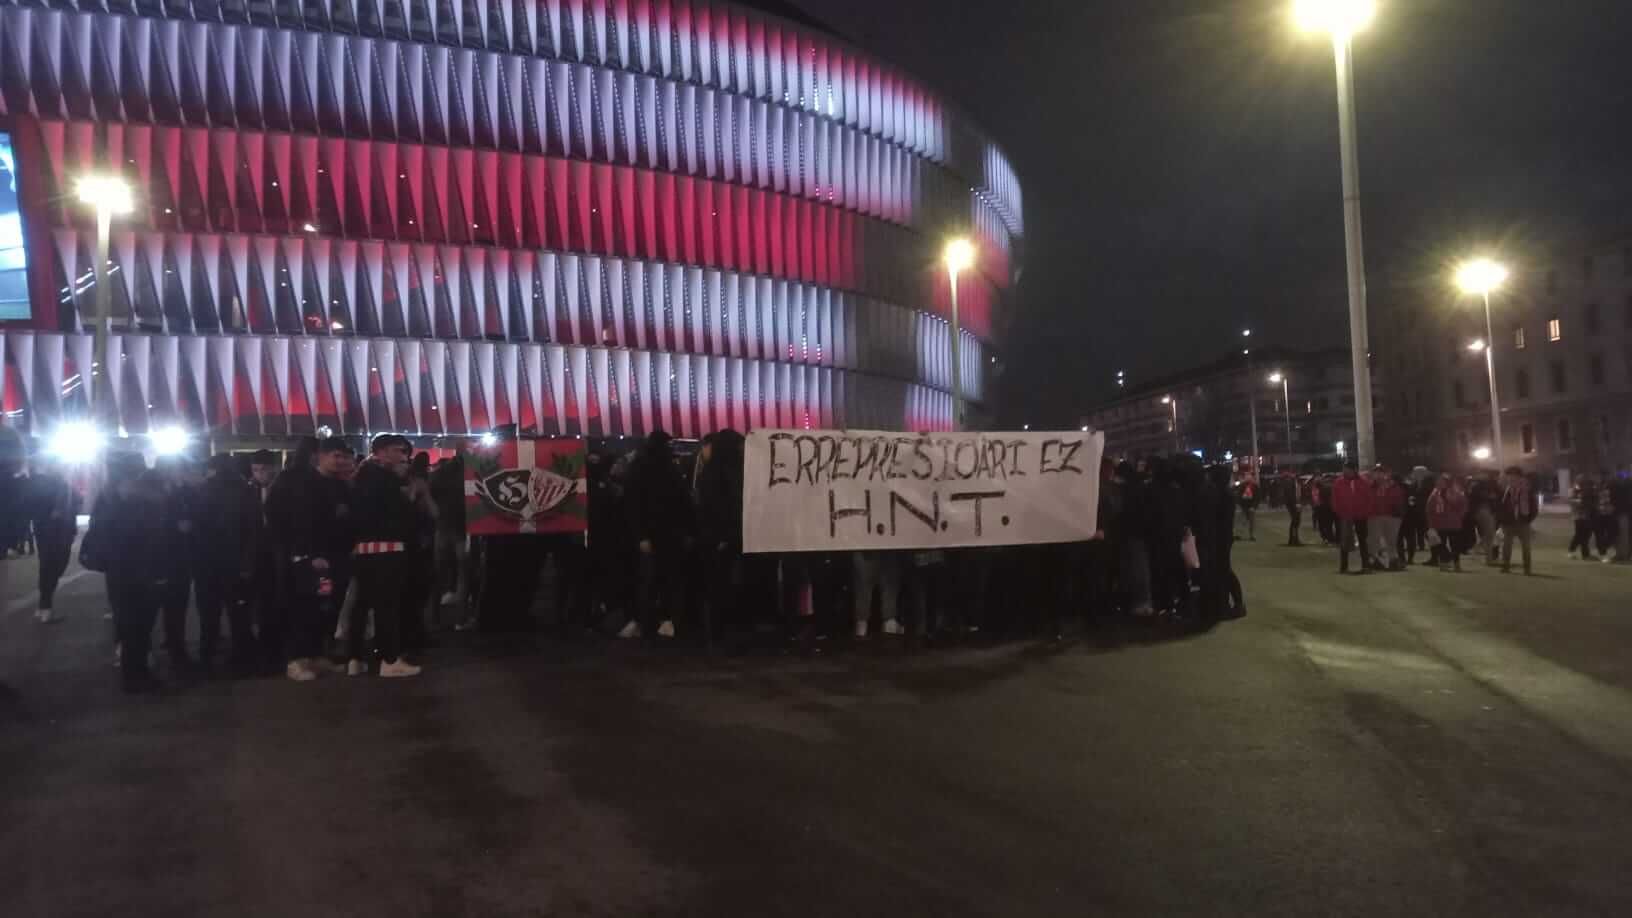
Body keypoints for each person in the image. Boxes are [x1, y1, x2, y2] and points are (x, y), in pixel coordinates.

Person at [269, 438, 354, 681]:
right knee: (305, 609)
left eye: (343, 457)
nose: (339, 461)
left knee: (327, 609)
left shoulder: (340, 486)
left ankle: (317, 657)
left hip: (336, 559)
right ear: (320, 456)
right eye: (335, 456)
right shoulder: (303, 484)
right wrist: (309, 554)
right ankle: (297, 660)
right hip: (310, 560)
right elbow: (297, 522)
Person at [84, 452, 168, 693]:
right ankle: (136, 676)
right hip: (139, 571)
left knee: (130, 625)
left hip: (119, 572)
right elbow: (147, 536)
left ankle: (134, 674)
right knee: (138, 625)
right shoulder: (134, 498)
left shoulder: (107, 497)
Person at [346, 434, 421, 677]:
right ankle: (389, 659)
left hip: (365, 551)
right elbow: (403, 515)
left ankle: (355, 658)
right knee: (387, 606)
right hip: (388, 551)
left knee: (361, 605)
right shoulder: (386, 480)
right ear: (382, 452)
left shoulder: (359, 478)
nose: (403, 456)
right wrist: (409, 496)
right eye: (398, 451)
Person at [620, 431, 693, 640]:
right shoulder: (670, 468)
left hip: (651, 534)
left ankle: (644, 621)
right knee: (667, 579)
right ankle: (666, 619)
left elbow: (632, 504)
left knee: (648, 580)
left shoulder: (639, 467)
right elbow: (683, 501)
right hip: (669, 534)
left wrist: (640, 535)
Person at [193, 454, 260, 672]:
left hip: (207, 564)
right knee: (238, 614)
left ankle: (207, 657)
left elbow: (196, 530)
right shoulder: (246, 491)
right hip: (236, 564)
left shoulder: (202, 490)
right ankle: (241, 659)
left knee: (209, 614)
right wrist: (247, 563)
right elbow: (253, 530)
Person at [155, 455, 203, 673]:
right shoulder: (167, 495)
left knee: (172, 607)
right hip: (170, 560)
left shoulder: (178, 492)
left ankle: (172, 644)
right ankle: (177, 653)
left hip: (174, 560)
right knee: (174, 606)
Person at [24, 453, 79, 624]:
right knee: (55, 567)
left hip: (44, 531)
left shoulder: (41, 484)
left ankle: (43, 607)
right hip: (58, 532)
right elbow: (71, 505)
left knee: (47, 567)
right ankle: (45, 607)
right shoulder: (59, 485)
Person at [429, 455, 468, 615]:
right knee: (463, 573)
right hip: (462, 528)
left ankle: (434, 612)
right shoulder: (469, 475)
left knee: (438, 571)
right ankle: (461, 617)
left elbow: (431, 496)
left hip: (443, 526)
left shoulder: (438, 475)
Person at [1332, 463, 1373, 574]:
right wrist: (1339, 512)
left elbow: (1369, 498)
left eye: (1347, 470)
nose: (1345, 472)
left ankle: (1366, 565)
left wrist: (1366, 512)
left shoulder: (1363, 482)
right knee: (1344, 541)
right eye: (1344, 469)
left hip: (1361, 516)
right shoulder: (1339, 482)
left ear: (1354, 470)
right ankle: (1344, 566)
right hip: (1345, 516)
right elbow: (1335, 499)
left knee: (1362, 540)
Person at [1499, 465, 1538, 575]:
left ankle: (1527, 568)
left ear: (1520, 477)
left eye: (1513, 476)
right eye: (1509, 477)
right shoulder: (1506, 490)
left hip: (1523, 522)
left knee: (1526, 547)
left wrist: (1528, 519)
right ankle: (1505, 566)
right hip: (1509, 522)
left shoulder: (1527, 490)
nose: (1511, 479)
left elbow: (1534, 507)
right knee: (1506, 546)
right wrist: (1502, 520)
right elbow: (1502, 507)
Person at [1426, 473, 1468, 572]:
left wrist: (1459, 516)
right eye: (1439, 481)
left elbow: (1463, 505)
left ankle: (1456, 565)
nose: (1440, 483)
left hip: (1453, 523)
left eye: (1442, 481)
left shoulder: (1455, 493)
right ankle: (1443, 564)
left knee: (1455, 545)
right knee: (1440, 544)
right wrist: (1431, 522)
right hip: (1440, 523)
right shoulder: (1435, 493)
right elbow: (1429, 508)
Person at [1369, 466, 1404, 572]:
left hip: (1391, 516)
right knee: (1375, 540)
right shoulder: (1370, 486)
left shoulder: (1393, 486)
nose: (1379, 475)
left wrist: (1397, 512)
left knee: (1391, 540)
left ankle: (1393, 561)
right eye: (1376, 473)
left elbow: (1399, 499)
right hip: (1375, 516)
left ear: (1386, 474)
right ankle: (1376, 560)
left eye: (1381, 473)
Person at [1468, 470, 1501, 564]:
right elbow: (1474, 497)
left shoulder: (1490, 484)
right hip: (1483, 510)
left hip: (1488, 511)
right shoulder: (1478, 485)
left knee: (1489, 534)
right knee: (1489, 534)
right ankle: (1488, 558)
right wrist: (1489, 497)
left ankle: (1480, 551)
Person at [1568, 476, 1597, 561]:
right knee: (1580, 535)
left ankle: (1582, 553)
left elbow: (1591, 502)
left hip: (1585, 515)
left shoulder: (1588, 490)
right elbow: (1572, 501)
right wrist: (1580, 502)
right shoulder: (1575, 490)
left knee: (1585, 535)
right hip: (1579, 516)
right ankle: (1577, 552)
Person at [1273, 468, 1303, 546]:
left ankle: (1294, 539)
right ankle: (1294, 539)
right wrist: (1296, 503)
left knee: (1296, 521)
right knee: (1295, 521)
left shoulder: (1294, 481)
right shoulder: (1290, 481)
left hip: (1295, 503)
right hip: (1293, 504)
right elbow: (1291, 495)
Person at [1236, 470, 1259, 542]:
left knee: (1252, 522)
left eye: (1249, 476)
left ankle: (1252, 535)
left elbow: (1257, 497)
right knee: (1242, 520)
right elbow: (1239, 496)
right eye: (1246, 476)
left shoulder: (1255, 486)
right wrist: (1241, 505)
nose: (1248, 477)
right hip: (1244, 505)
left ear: (1251, 477)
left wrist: (1253, 507)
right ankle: (1239, 534)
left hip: (1251, 506)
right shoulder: (1242, 485)